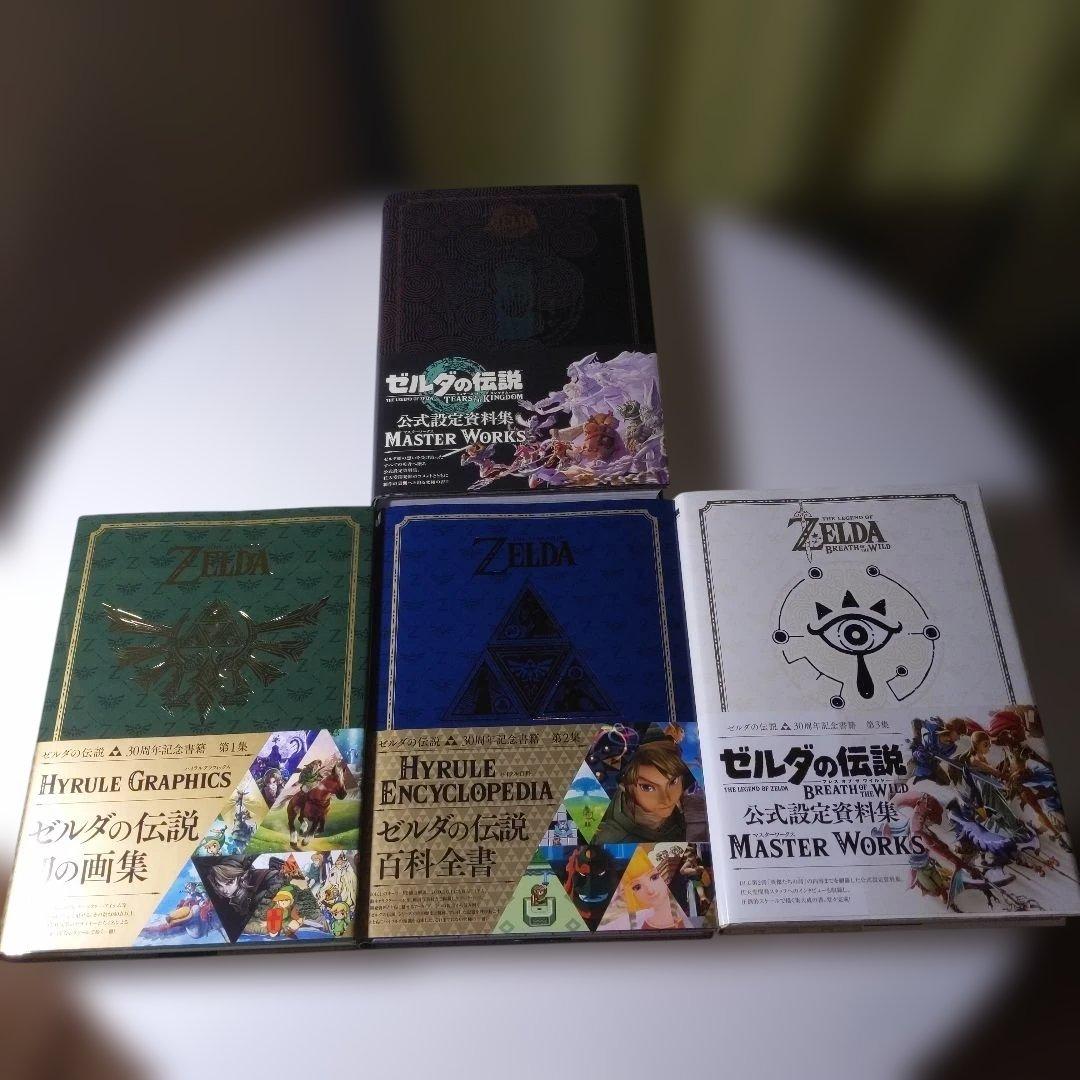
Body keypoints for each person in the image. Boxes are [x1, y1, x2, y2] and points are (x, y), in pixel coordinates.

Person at [595, 736, 703, 843]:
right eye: (647, 787)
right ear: (624, 786)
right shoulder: (610, 838)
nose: (667, 799)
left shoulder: (696, 779)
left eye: (672, 782)